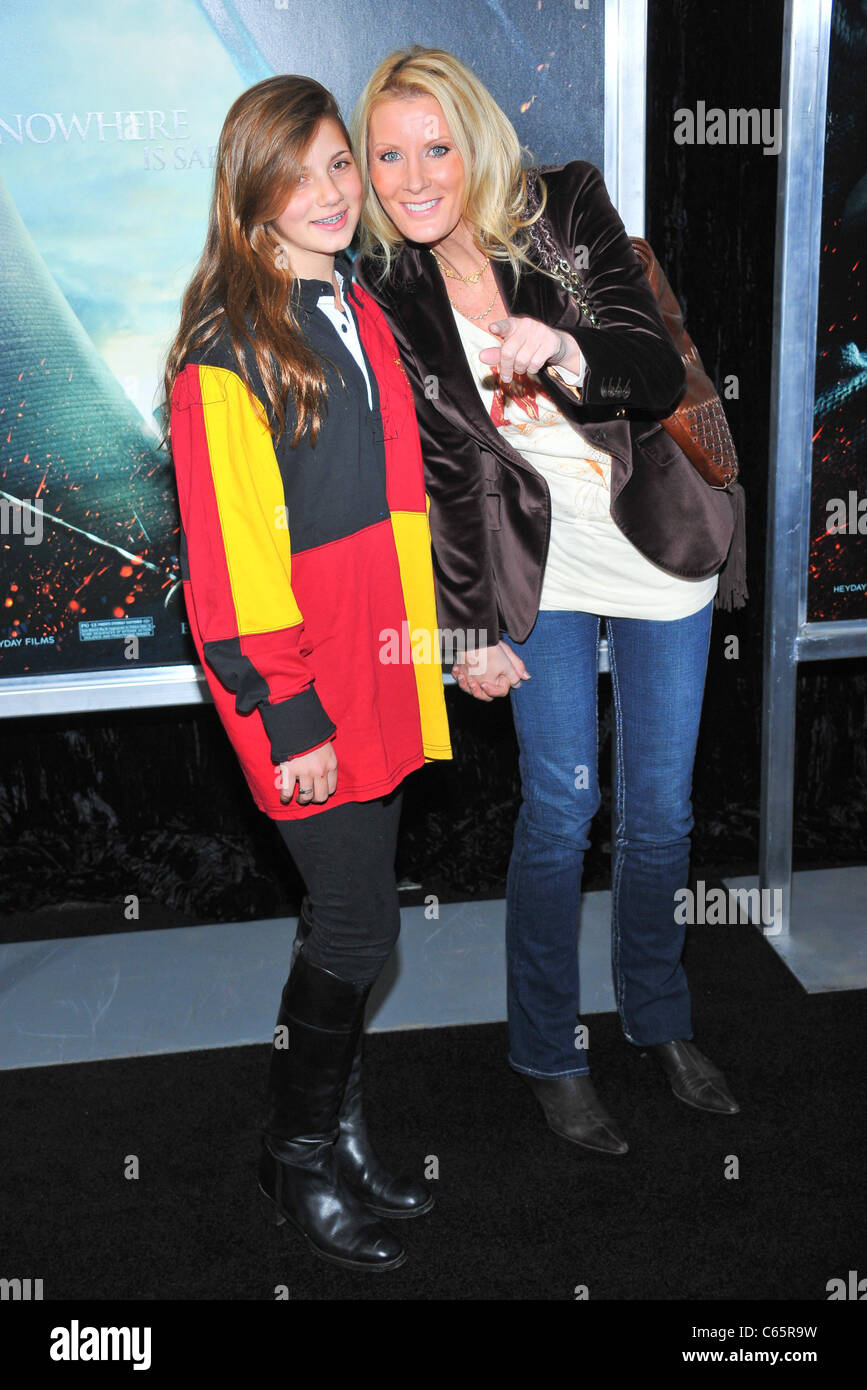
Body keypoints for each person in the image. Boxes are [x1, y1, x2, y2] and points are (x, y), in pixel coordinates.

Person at [352, 47, 745, 1156]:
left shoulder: (566, 204)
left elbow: (651, 368)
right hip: (541, 571)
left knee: (661, 813)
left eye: (436, 146)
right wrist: (465, 626)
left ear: (475, 139)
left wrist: (566, 348)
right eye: (388, 154)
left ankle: (660, 1016)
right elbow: (436, 478)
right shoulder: (391, 293)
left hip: (658, 548)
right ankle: (550, 1048)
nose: (414, 176)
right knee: (561, 809)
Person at [165, 75, 451, 1269]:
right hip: (302, 692)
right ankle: (294, 1161)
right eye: (304, 171)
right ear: (251, 195)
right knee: (352, 922)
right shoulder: (227, 350)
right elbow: (229, 568)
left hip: (377, 669)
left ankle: (338, 1135)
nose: (333, 191)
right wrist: (290, 713)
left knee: (355, 920)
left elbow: (401, 508)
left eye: (344, 165)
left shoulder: (359, 306)